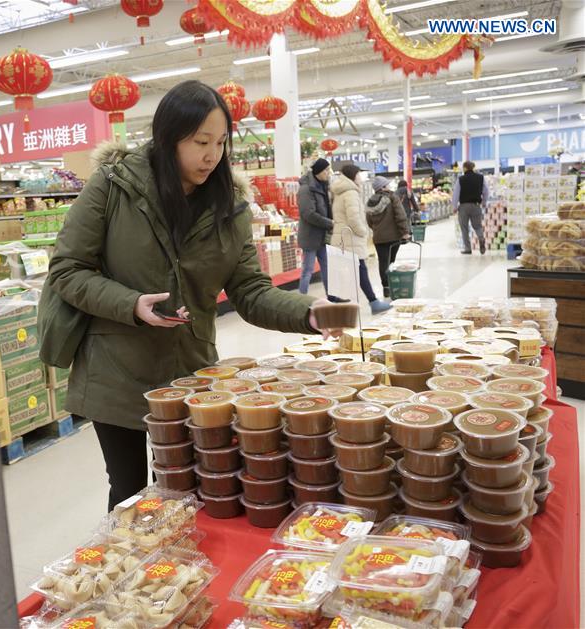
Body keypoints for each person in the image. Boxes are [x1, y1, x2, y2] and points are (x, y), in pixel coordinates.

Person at [46, 80, 343, 510]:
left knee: (184, 488)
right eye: (201, 141)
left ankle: (178, 571)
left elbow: (250, 291)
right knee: (131, 492)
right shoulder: (114, 186)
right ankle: (129, 574)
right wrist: (130, 304)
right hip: (115, 371)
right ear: (168, 137)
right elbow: (67, 270)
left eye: (221, 142)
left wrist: (308, 313)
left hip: (192, 371)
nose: (212, 155)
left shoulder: (229, 205)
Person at [330, 164, 392, 314]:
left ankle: (333, 304)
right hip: (350, 238)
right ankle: (373, 302)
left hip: (342, 237)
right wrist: (363, 231)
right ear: (353, 176)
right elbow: (353, 218)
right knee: (359, 270)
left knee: (347, 272)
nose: (360, 177)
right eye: (358, 174)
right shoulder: (350, 193)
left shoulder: (340, 191)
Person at [298, 158, 344, 301]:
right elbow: (308, 214)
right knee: (308, 271)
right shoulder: (306, 189)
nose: (328, 173)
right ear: (318, 171)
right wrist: (329, 222)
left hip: (322, 236)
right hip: (311, 237)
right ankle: (301, 300)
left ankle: (332, 297)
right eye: (325, 170)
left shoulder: (323, 186)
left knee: (327, 268)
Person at [366, 176, 410, 298]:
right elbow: (400, 215)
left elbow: (369, 221)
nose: (389, 187)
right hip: (393, 237)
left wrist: (377, 230)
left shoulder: (370, 200)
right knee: (391, 262)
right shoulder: (392, 197)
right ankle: (392, 284)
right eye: (387, 185)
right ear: (383, 187)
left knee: (383, 262)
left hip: (378, 238)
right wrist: (405, 232)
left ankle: (386, 287)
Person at [452, 160, 489, 254]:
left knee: (464, 228)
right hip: (476, 205)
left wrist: (454, 206)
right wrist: (484, 202)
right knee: (477, 226)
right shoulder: (481, 178)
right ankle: (481, 239)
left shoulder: (461, 179)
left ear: (465, 168)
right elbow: (486, 191)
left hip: (464, 206)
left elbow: (456, 194)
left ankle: (467, 249)